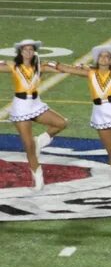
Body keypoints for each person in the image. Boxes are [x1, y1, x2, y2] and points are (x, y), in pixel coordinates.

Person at [55, 44, 111, 194]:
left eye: (107, 56)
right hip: (100, 112)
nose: (103, 58)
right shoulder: (90, 72)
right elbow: (66, 69)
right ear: (97, 59)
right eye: (101, 56)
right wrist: (49, 64)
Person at [0, 39, 68, 190]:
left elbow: (61, 68)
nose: (29, 52)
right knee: (29, 146)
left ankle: (41, 140)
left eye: (31, 49)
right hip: (21, 106)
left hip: (36, 103)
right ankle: (38, 177)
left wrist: (84, 70)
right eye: (26, 49)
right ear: (21, 52)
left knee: (61, 123)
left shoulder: (40, 66)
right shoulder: (13, 66)